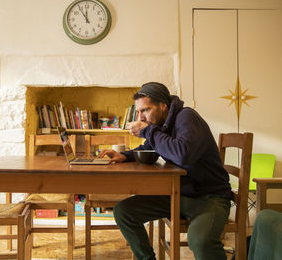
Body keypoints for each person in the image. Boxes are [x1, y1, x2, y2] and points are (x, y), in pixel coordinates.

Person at [100, 82, 233, 260]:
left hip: (209, 197)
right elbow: (149, 148)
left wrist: (149, 131)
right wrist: (125, 155)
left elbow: (182, 154)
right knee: (124, 212)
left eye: (145, 110)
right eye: (138, 112)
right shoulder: (162, 124)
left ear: (163, 106)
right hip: (178, 194)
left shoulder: (186, 117)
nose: (141, 118)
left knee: (200, 241)